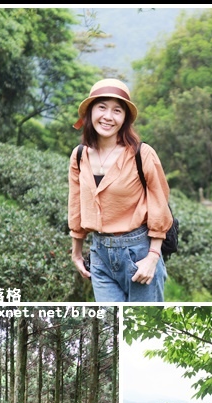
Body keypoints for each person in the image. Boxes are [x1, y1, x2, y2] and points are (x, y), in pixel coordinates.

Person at [68, 78, 173, 302]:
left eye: (117, 110)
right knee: (110, 320)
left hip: (138, 252)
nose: (108, 116)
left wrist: (153, 257)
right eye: (102, 107)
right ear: (89, 113)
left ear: (124, 118)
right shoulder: (79, 156)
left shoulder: (141, 154)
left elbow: (159, 203)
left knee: (143, 323)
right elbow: (76, 205)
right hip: (99, 255)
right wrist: (76, 252)